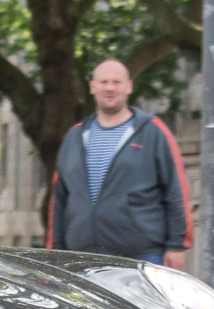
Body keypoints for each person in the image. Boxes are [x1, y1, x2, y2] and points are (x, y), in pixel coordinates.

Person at [46, 59, 191, 269]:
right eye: (104, 82)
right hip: (81, 259)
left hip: (142, 258)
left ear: (128, 87)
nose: (110, 88)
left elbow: (176, 190)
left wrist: (177, 246)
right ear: (92, 87)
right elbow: (59, 199)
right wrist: (55, 252)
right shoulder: (74, 136)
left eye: (117, 82)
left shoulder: (153, 132)